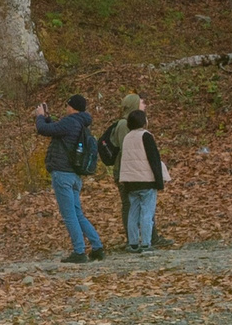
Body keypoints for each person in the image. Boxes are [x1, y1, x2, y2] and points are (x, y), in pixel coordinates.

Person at [33, 94, 105, 263]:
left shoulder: (70, 121)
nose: (66, 108)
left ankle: (79, 251)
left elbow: (44, 130)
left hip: (62, 174)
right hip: (74, 175)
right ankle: (97, 247)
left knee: (69, 215)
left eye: (67, 105)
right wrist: (47, 118)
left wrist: (40, 117)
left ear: (72, 107)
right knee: (77, 213)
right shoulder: (80, 123)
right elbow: (56, 130)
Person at [111, 107, 167, 253]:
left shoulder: (127, 138)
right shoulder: (146, 136)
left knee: (133, 213)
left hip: (130, 181)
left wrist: (124, 179)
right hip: (146, 180)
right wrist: (159, 181)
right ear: (144, 122)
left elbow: (125, 159)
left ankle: (134, 242)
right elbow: (154, 159)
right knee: (147, 212)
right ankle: (146, 243)